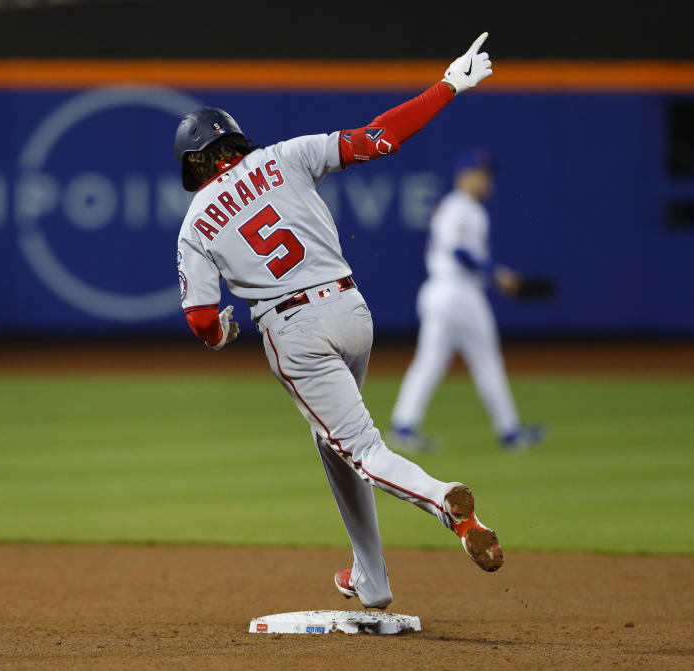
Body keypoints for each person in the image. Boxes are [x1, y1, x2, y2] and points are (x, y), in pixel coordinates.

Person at [174, 34, 502, 610]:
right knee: (334, 440)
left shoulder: (196, 221)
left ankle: (444, 500)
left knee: (362, 448)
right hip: (352, 312)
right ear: (233, 139)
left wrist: (224, 333)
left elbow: (203, 320)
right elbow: (382, 137)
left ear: (195, 162)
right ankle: (370, 578)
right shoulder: (284, 155)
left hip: (292, 330)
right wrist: (449, 83)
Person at [388, 149, 546, 452]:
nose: (487, 180)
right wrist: (495, 273)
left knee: (429, 362)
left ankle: (404, 426)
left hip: (442, 293)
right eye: (481, 174)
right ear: (464, 176)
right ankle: (510, 432)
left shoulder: (460, 207)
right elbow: (459, 251)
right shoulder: (461, 208)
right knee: (485, 362)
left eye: (487, 174)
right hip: (458, 292)